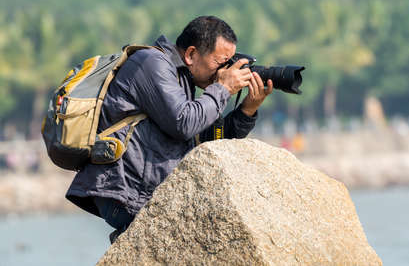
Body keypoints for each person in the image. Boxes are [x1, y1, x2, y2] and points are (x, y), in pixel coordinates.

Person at [65, 15, 273, 242]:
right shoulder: (151, 63)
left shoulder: (184, 80)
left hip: (141, 193)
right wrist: (222, 89)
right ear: (192, 54)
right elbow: (183, 124)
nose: (224, 70)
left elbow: (210, 142)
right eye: (220, 62)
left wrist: (247, 111)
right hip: (125, 192)